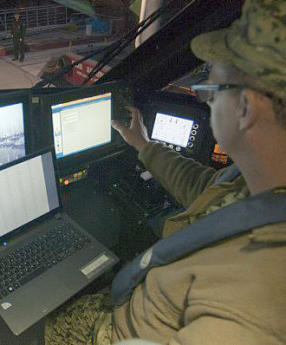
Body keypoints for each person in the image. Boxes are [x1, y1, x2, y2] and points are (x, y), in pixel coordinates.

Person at [44, 0, 286, 344]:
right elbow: (209, 188)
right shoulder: (259, 182)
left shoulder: (251, 310)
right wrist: (144, 145)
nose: (204, 101)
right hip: (137, 297)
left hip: (121, 331)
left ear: (246, 109)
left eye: (211, 90)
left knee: (46, 319)